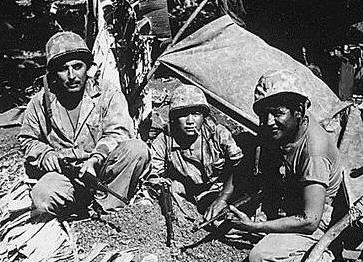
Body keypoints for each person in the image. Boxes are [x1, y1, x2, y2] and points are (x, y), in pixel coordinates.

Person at [18, 31, 150, 216]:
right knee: (42, 196)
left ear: (87, 67)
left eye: (77, 66)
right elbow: (27, 139)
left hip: (101, 170)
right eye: (64, 69)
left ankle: (107, 207)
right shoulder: (40, 102)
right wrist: (44, 153)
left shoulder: (107, 93)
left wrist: (95, 159)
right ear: (54, 73)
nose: (72, 75)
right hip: (64, 173)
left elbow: (119, 132)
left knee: (137, 149)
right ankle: (76, 208)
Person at [226, 69, 344, 262]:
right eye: (264, 115)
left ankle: (322, 256)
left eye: (278, 113)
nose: (269, 121)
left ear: (298, 111)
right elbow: (251, 155)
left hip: (315, 221)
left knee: (259, 256)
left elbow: (310, 220)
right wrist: (224, 198)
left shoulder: (314, 151)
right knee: (227, 224)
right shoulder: (282, 128)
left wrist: (256, 227)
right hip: (286, 201)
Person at [148, 84, 243, 221]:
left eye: (196, 114)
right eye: (183, 115)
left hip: (224, 189)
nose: (190, 121)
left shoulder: (218, 134)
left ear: (204, 116)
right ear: (174, 118)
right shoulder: (164, 141)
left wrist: (224, 196)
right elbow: (153, 175)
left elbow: (239, 165)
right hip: (192, 193)